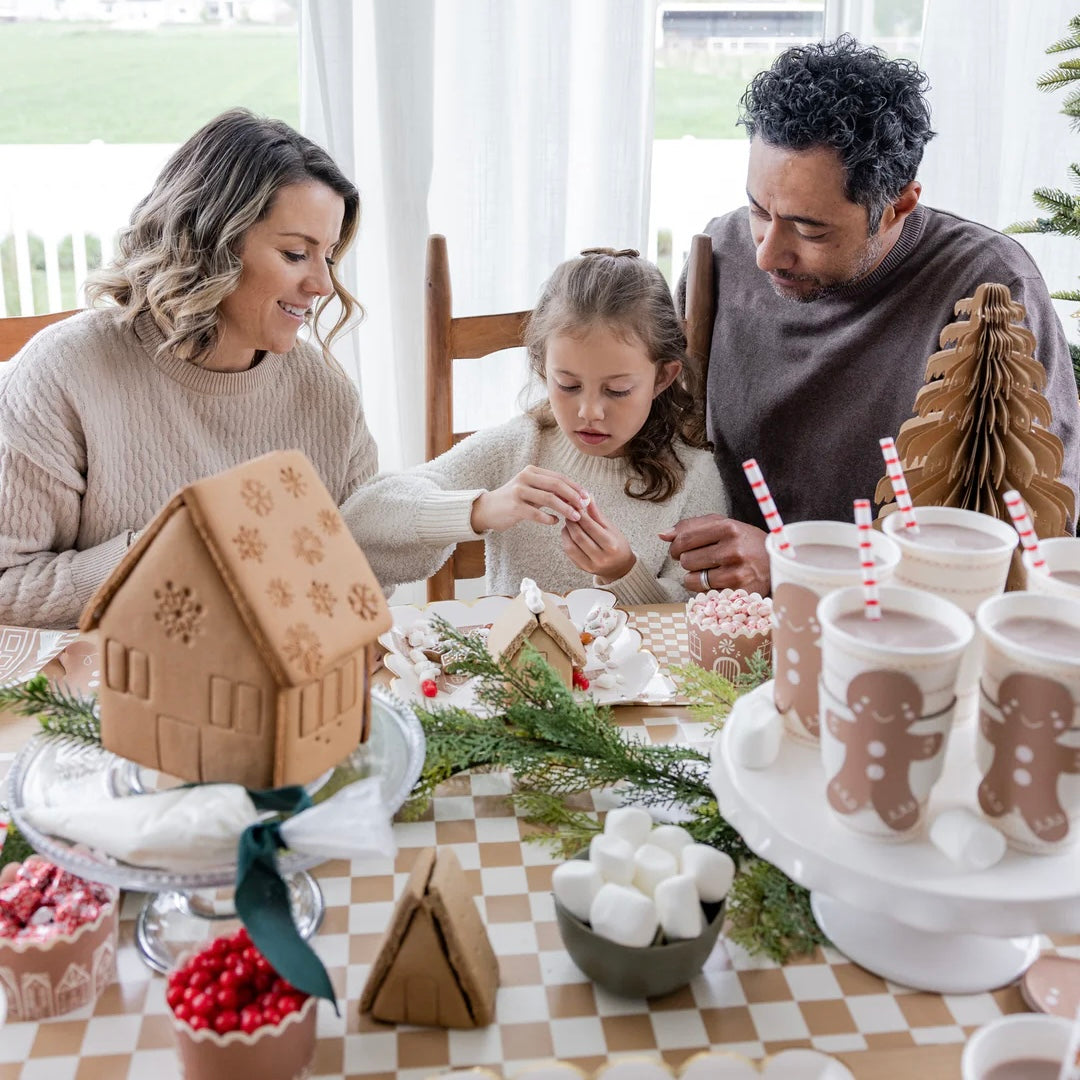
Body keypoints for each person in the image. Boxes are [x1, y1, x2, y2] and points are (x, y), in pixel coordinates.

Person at [664, 36, 1080, 598]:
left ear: (899, 205)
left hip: (898, 626)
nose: (765, 253)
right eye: (759, 210)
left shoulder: (992, 289)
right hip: (718, 612)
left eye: (809, 229)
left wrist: (794, 565)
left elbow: (1031, 545)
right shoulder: (720, 253)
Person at [0, 109, 410, 630]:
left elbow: (367, 571)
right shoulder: (66, 373)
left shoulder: (325, 394)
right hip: (99, 695)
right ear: (209, 244)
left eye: (327, 257)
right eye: (294, 253)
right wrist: (166, 555)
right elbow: (7, 585)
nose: (323, 285)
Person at [345, 249, 728, 603]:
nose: (589, 411)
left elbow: (701, 621)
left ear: (663, 377)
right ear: (543, 366)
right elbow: (358, 526)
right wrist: (482, 508)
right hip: (512, 673)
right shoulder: (518, 448)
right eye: (568, 385)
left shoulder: (693, 475)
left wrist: (622, 573)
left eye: (618, 390)